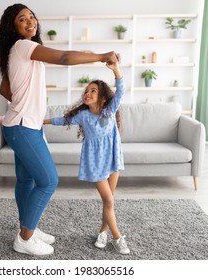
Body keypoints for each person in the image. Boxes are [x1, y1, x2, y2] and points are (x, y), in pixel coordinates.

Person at [0, 3, 119, 256]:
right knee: (49, 180)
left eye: (31, 16)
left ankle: (26, 227)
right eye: (22, 19)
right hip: (23, 127)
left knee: (27, 180)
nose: (30, 21)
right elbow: (63, 58)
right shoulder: (24, 46)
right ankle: (25, 238)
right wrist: (100, 56)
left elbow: (4, 90)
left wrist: (24, 99)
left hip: (23, 124)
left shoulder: (16, 50)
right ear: (13, 27)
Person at [43, 60, 130, 254]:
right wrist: (42, 120)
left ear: (103, 98)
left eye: (93, 91)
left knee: (109, 201)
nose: (87, 93)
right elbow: (61, 120)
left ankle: (102, 232)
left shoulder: (109, 111)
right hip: (96, 163)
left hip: (113, 159)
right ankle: (117, 237)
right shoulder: (83, 116)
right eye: (86, 91)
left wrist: (116, 69)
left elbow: (121, 90)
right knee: (108, 200)